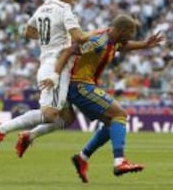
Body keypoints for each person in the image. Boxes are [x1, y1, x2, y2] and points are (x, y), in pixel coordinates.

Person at [39, 14, 163, 182]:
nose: (133, 35)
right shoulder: (98, 41)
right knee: (120, 115)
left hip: (86, 85)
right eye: (131, 31)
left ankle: (82, 158)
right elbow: (70, 50)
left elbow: (123, 46)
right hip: (80, 85)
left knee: (112, 122)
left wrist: (144, 45)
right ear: (121, 30)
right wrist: (54, 75)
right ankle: (119, 161)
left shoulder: (113, 40)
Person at [0, 0, 90, 157]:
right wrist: (99, 35)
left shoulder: (42, 8)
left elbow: (28, 31)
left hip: (47, 62)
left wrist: (49, 38)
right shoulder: (64, 9)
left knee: (67, 117)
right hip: (57, 66)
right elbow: (79, 37)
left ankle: (29, 135)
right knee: (50, 114)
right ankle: (0, 128)